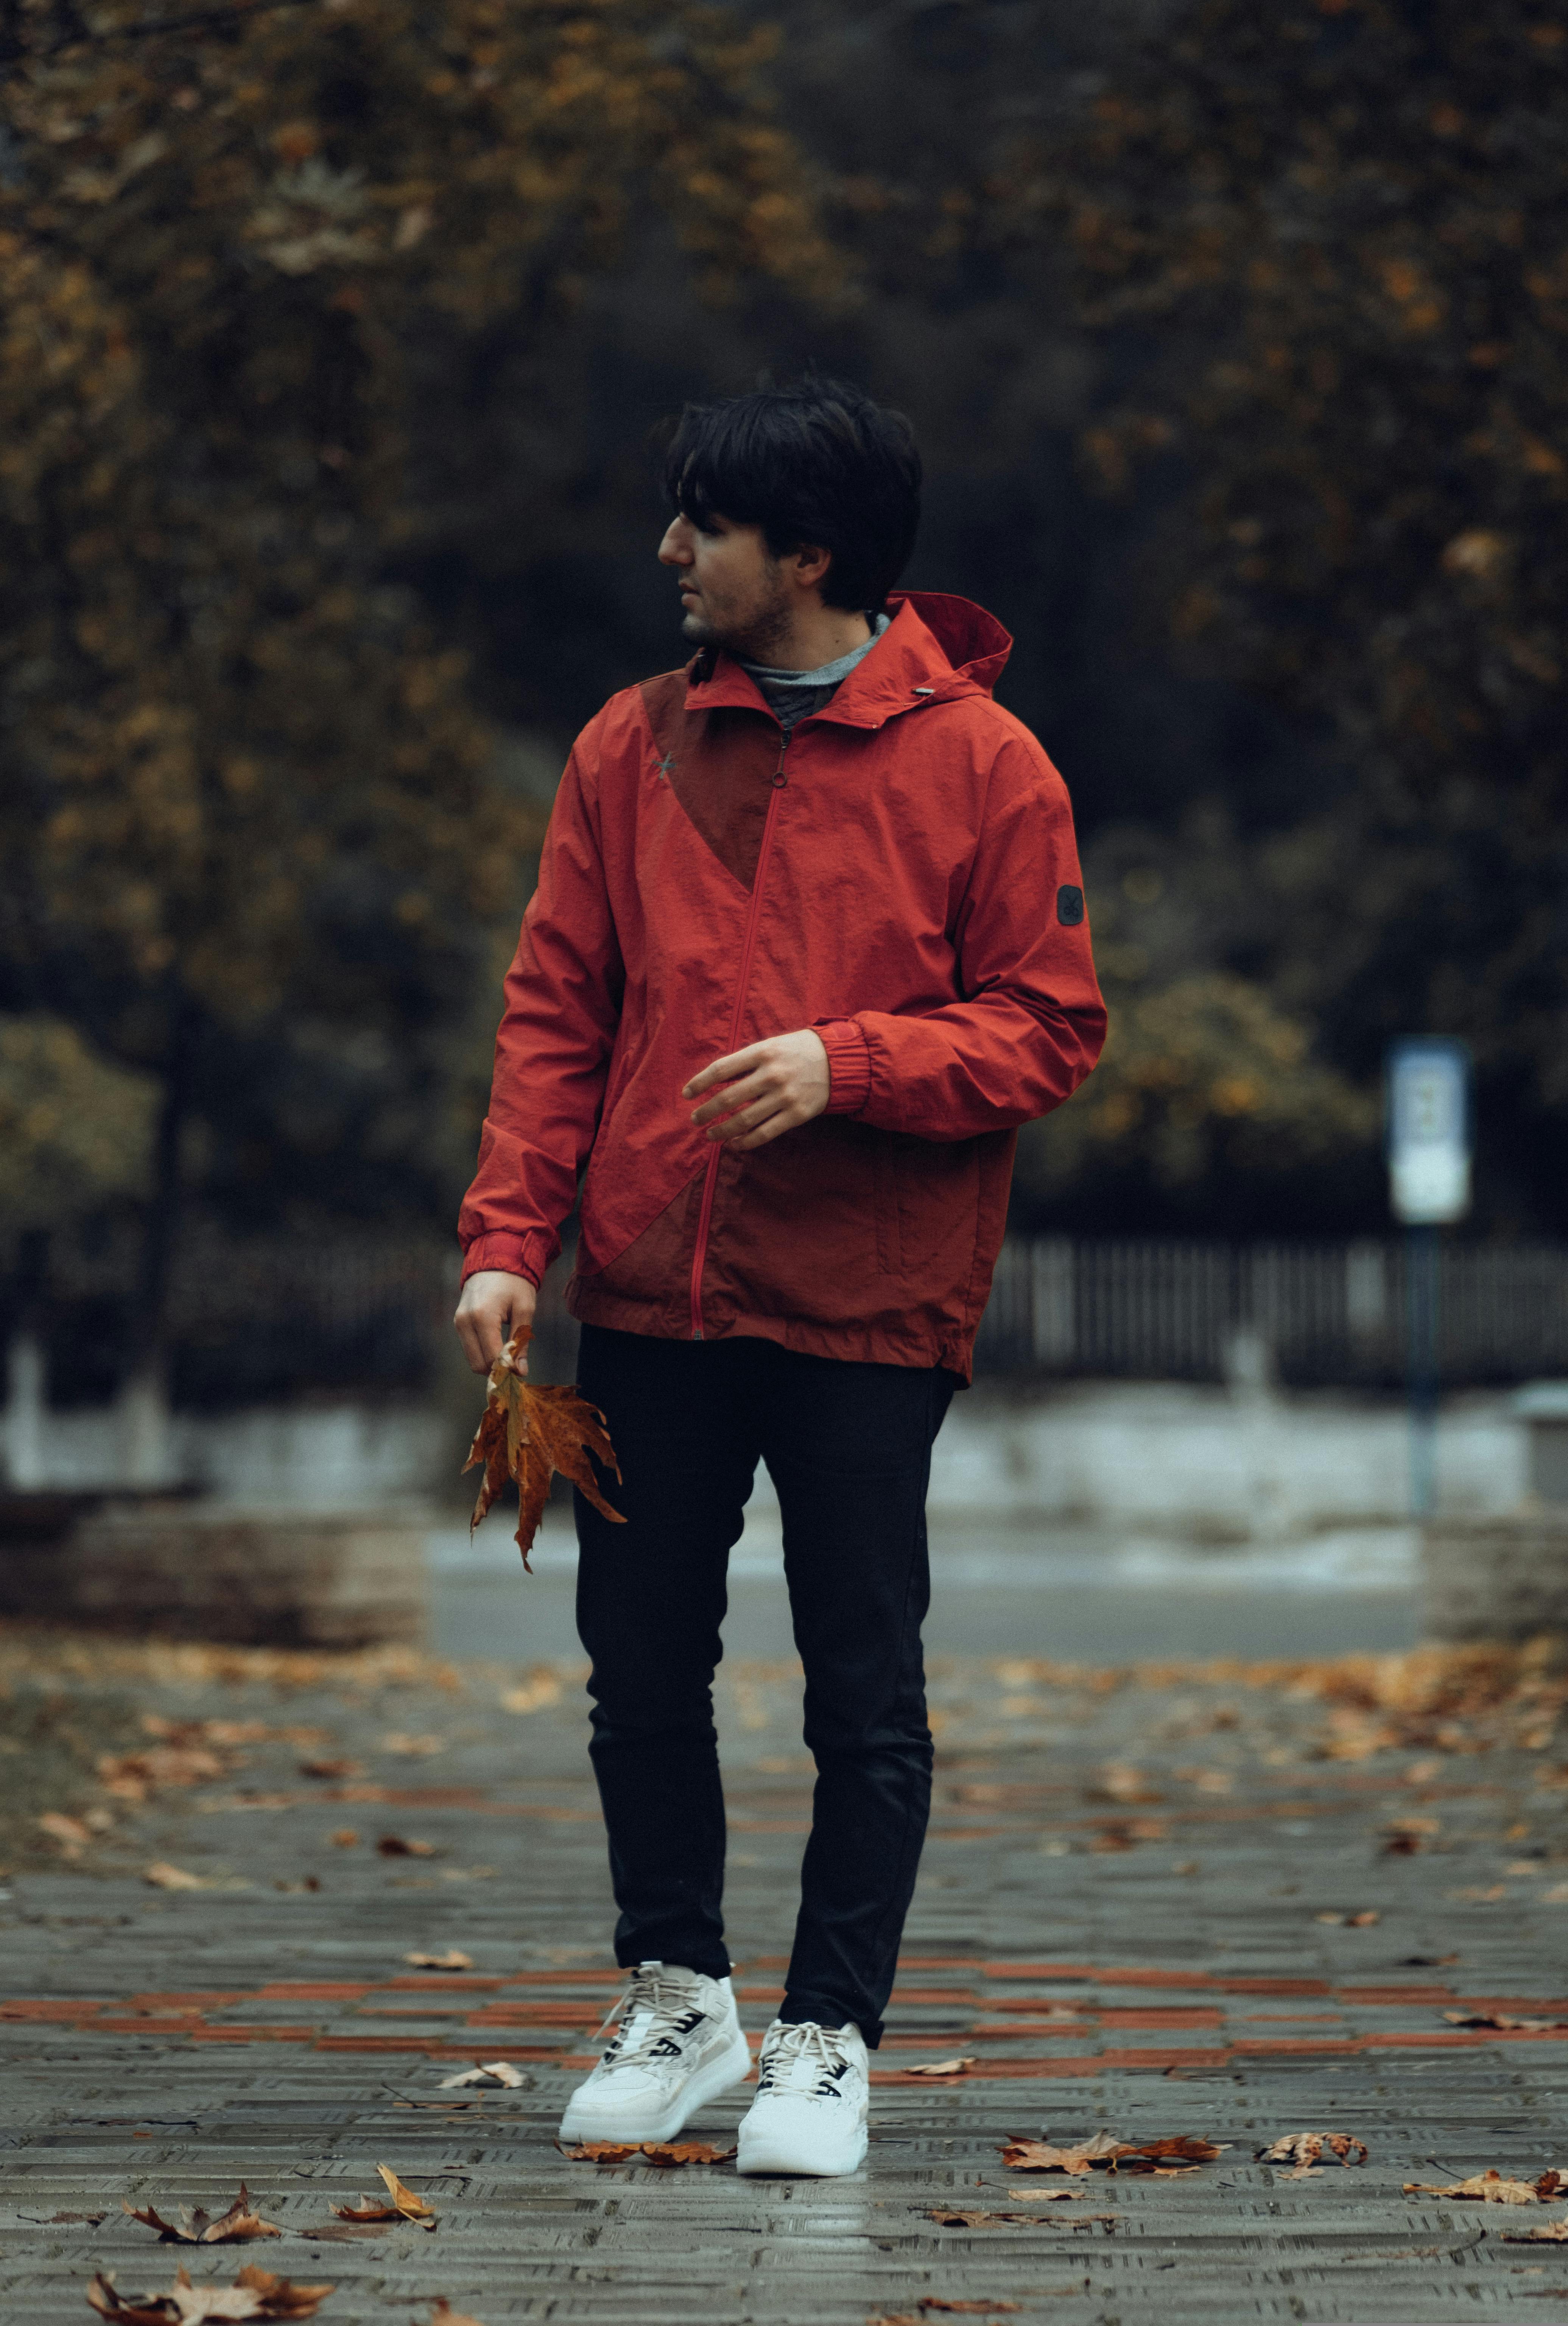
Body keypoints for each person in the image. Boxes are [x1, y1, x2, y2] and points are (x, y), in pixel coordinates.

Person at [453, 378, 1105, 2177]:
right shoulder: (626, 744)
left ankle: (829, 2038)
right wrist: (509, 1243)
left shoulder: (988, 766)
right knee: (638, 1670)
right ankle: (679, 1993)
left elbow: (1051, 1029)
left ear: (805, 557)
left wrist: (853, 1064)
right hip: (648, 1294)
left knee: (859, 1681)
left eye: (705, 528)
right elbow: (556, 1015)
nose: (669, 552)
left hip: (868, 1307)